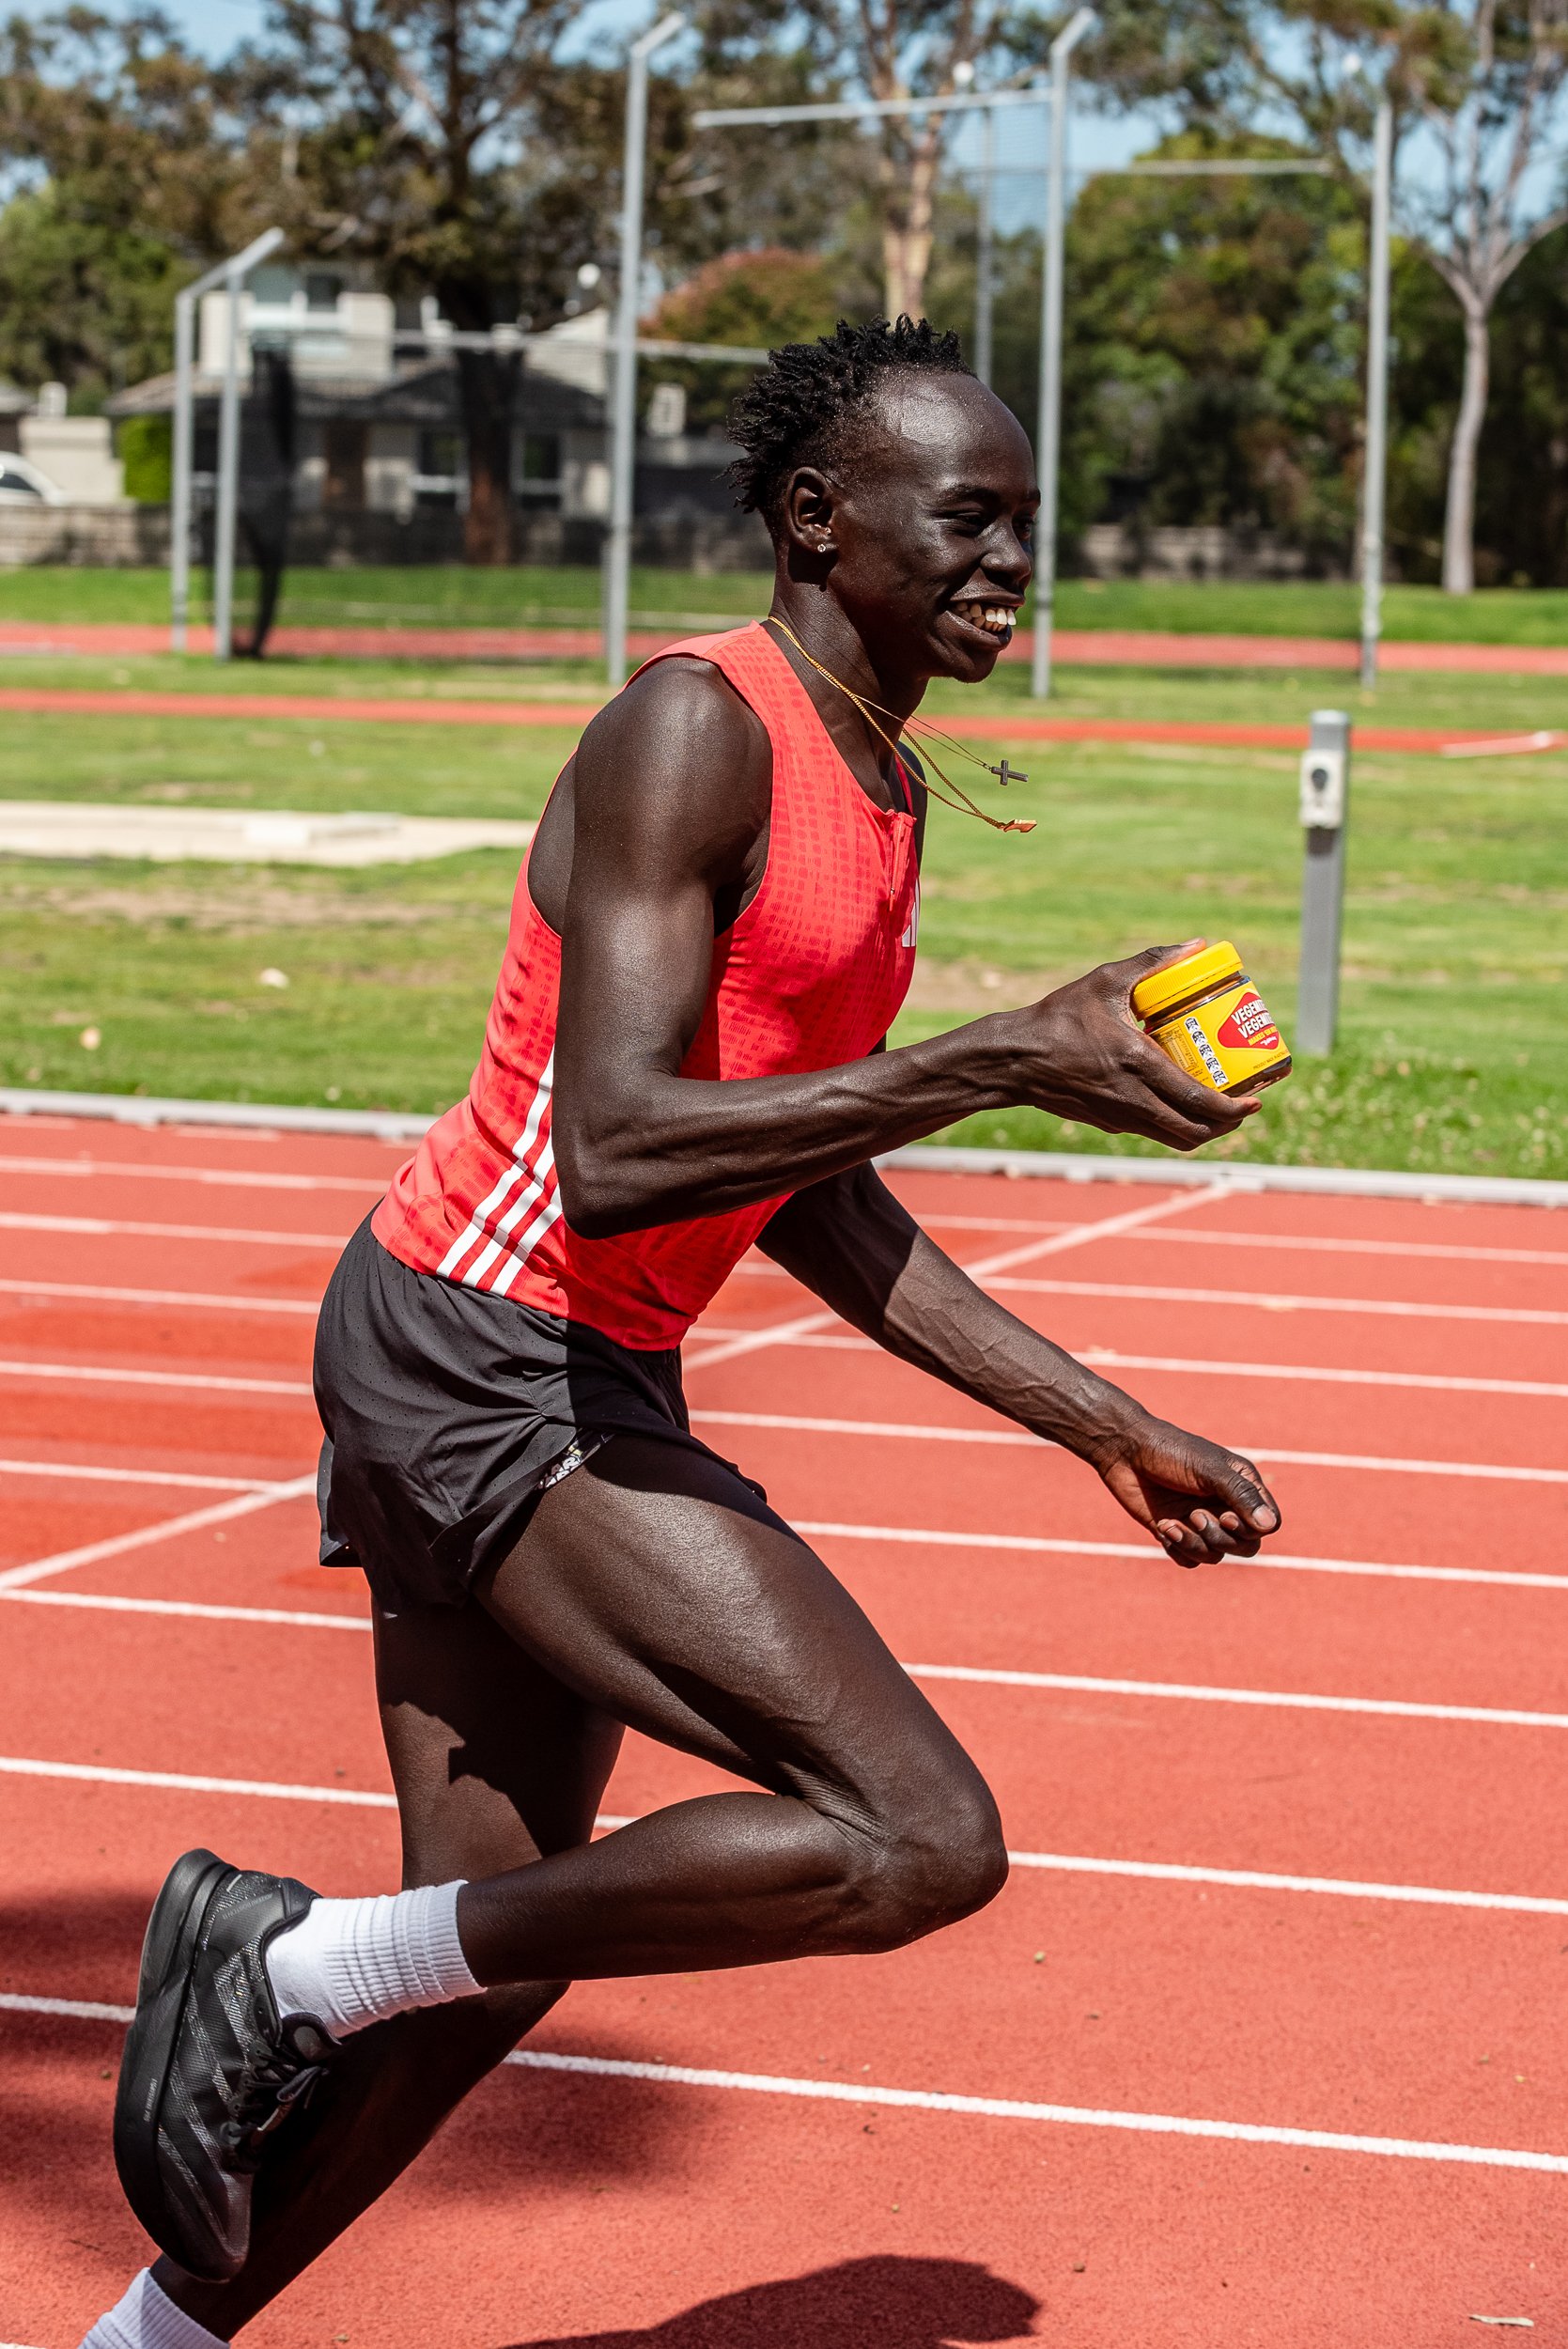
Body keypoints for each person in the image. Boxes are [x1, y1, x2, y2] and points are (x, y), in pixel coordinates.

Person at [85, 318, 1281, 2349]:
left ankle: (145, 2330)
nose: (1010, 566)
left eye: (1025, 529)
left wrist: (1097, 1418)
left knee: (482, 1942)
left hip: (556, 1354)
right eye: (965, 521)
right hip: (481, 1337)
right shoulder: (694, 728)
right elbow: (627, 1144)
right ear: (818, 518)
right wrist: (997, 1052)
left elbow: (795, 1179)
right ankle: (281, 1965)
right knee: (916, 1831)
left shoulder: (876, 772)